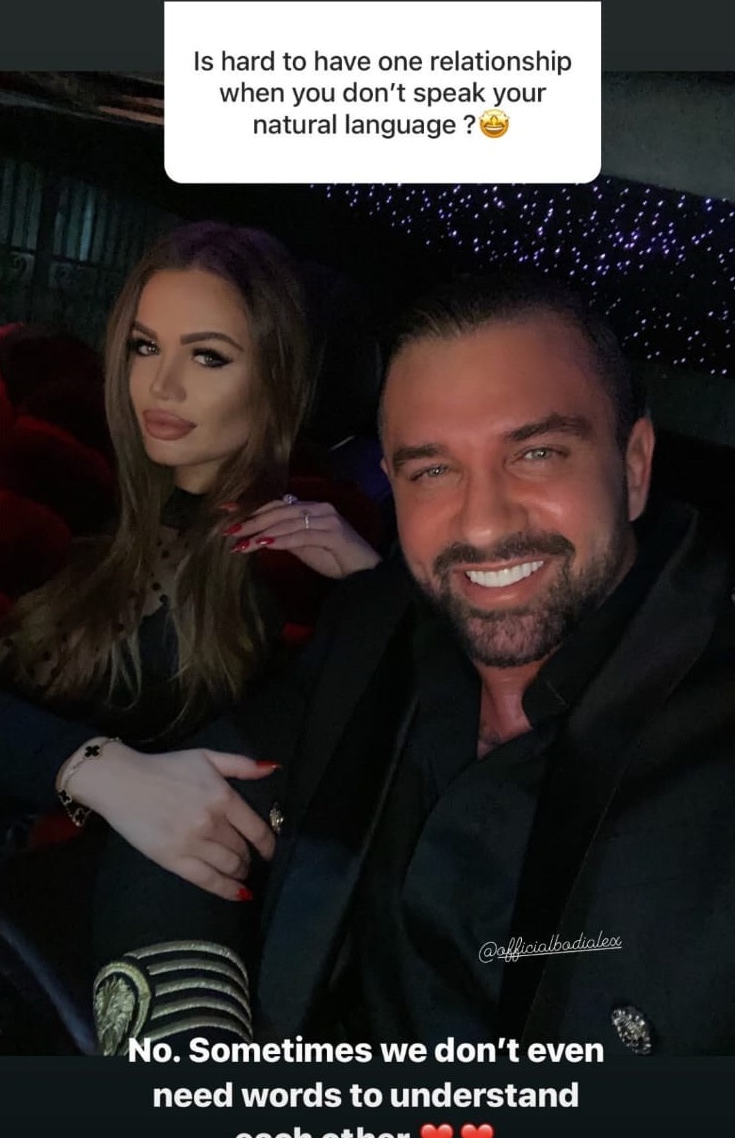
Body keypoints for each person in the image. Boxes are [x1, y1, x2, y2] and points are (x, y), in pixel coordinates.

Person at [7, 270, 734, 1057]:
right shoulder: (375, 627)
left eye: (536, 453)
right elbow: (190, 812)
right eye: (432, 469)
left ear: (633, 465)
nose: (482, 522)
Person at [0, 220, 380, 1052]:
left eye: (207, 356)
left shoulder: (304, 562)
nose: (161, 385)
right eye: (144, 346)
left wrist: (373, 596)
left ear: (275, 377)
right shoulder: (54, 463)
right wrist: (86, 765)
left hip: (69, 915)